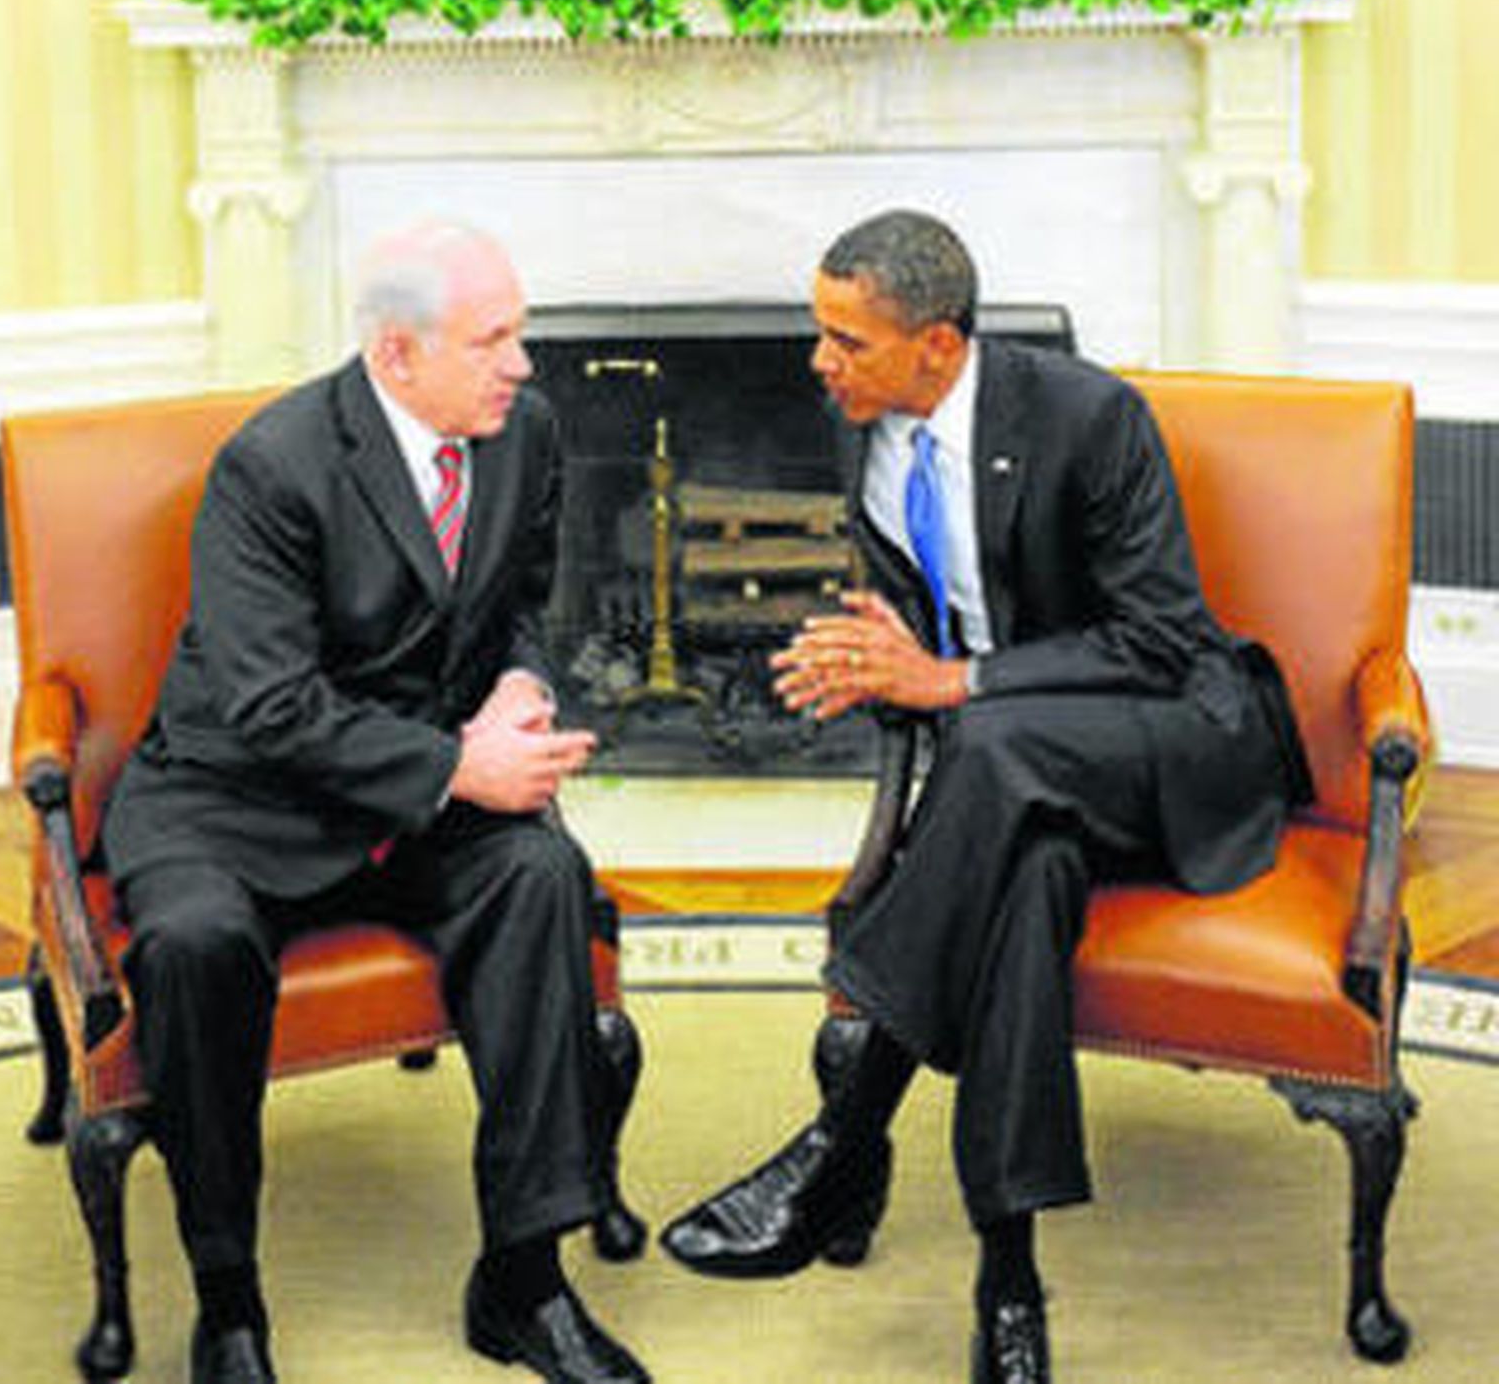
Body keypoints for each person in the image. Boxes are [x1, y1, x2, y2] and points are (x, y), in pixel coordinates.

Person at [661, 209, 1311, 1384]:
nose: (819, 361)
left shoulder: (1087, 419)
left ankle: (839, 1141)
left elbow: (1162, 641)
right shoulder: (864, 425)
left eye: (845, 341)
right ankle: (1007, 1284)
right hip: (1023, 784)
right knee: (1025, 884)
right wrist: (877, 650)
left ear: (939, 345)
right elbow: (931, 601)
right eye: (822, 334)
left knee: (997, 751)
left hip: (1172, 746)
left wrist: (955, 681)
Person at [103, 220, 650, 1384]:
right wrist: (458, 765)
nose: (523, 365)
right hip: (236, 798)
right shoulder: (275, 464)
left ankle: (522, 1279)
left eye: (522, 333)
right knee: (195, 944)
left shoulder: (523, 432)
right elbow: (265, 707)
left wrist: (520, 681)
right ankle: (228, 1300)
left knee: (540, 877)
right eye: (493, 340)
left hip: (414, 791)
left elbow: (520, 604)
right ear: (396, 355)